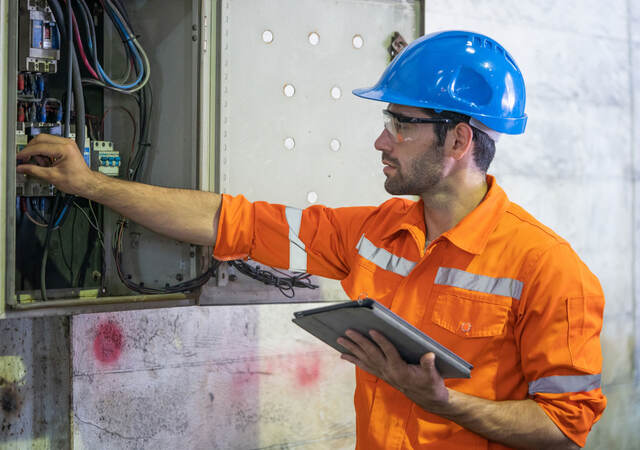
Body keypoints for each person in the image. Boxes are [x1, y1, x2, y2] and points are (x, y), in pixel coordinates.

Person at [17, 30, 605, 449]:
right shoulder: (376, 234)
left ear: (457, 143)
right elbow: (229, 221)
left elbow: (564, 427)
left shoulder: (551, 270)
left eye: (401, 124)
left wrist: (445, 404)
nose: (382, 141)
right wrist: (90, 184)